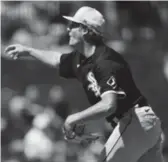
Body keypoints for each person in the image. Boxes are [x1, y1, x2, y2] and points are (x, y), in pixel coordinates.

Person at [4, 6, 164, 162]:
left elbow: (109, 105)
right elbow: (56, 59)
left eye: (73, 25)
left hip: (136, 121)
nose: (68, 29)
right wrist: (30, 51)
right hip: (141, 126)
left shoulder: (105, 61)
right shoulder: (81, 60)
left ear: (86, 30)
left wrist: (74, 118)